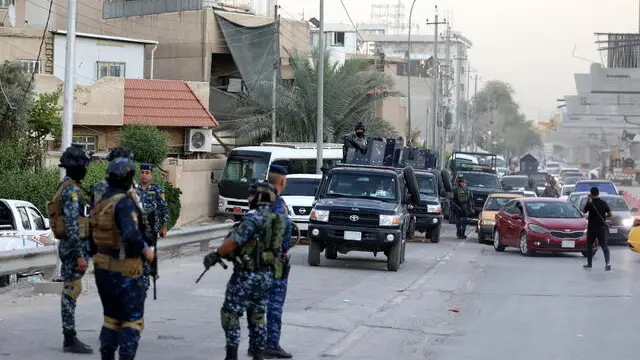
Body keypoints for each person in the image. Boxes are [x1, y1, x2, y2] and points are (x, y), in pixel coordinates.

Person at [204, 182, 286, 360]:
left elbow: (234, 241)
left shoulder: (254, 218)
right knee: (257, 315)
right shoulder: (276, 218)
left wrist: (217, 254)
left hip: (246, 275)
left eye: (251, 195)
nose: (248, 199)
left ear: (260, 197)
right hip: (265, 276)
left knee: (230, 313)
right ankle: (258, 354)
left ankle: (231, 355)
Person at [90, 157, 155, 360]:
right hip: (125, 270)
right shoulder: (124, 202)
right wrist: (146, 252)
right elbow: (131, 235)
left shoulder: (101, 201)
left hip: (103, 269)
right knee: (131, 321)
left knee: (110, 320)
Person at [49, 145, 93, 354]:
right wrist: (79, 256)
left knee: (71, 290)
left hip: (67, 246)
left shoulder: (64, 186)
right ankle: (69, 337)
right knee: (71, 291)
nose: (85, 170)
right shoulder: (72, 191)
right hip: (73, 248)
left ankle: (70, 335)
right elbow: (73, 225)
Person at [253, 164, 293, 359]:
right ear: (282, 181)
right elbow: (282, 231)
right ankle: (271, 344)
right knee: (274, 306)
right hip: (274, 262)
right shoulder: (276, 203)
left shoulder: (260, 200)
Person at [135, 163, 169, 290]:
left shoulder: (156, 190)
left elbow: (164, 209)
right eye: (142, 172)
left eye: (147, 173)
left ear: (151, 175)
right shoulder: (134, 189)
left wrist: (164, 226)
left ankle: (145, 281)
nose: (144, 175)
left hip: (151, 230)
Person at [582, 187, 613, 270]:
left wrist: (588, 199)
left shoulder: (590, 203)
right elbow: (610, 214)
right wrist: (603, 216)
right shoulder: (603, 203)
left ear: (591, 194)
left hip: (592, 228)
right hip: (601, 228)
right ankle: (608, 263)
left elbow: (583, 211)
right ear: (598, 193)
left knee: (589, 246)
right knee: (604, 246)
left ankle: (589, 264)